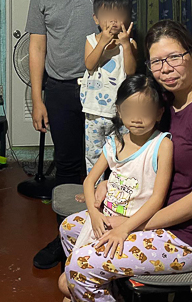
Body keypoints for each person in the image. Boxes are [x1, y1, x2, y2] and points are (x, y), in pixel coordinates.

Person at [68, 20, 192, 302]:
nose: (166, 69)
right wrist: (109, 181)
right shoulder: (166, 103)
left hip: (191, 239)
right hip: (150, 215)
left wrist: (129, 225)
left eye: (174, 57)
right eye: (157, 61)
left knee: (80, 266)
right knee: (70, 229)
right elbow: (137, 149)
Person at [26, 0, 127, 269]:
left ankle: (111, 236)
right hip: (61, 90)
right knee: (68, 167)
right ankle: (67, 237)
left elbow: (125, 27)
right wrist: (38, 98)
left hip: (108, 89)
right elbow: (36, 47)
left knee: (114, 166)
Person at [58, 75, 173, 301]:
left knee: (65, 285)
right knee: (66, 227)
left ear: (159, 113)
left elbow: (157, 199)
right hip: (107, 219)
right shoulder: (115, 142)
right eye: (130, 110)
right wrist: (94, 214)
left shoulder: (162, 145)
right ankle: (106, 285)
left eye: (145, 110)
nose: (137, 119)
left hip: (136, 225)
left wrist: (124, 228)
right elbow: (89, 181)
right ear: (119, 111)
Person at [80, 0, 137, 174]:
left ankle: (117, 190)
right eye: (107, 15)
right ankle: (94, 188)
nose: (113, 20)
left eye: (118, 14)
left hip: (120, 113)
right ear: (96, 19)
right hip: (94, 112)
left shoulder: (129, 43)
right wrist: (103, 41)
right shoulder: (91, 40)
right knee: (93, 155)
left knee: (121, 152)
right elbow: (90, 65)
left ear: (127, 18)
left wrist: (126, 44)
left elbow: (131, 72)